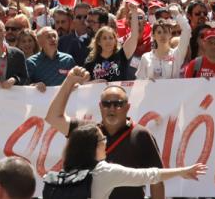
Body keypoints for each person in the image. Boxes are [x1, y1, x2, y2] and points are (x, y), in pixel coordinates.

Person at [46, 66, 166, 199]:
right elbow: (53, 117)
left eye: (118, 104)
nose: (112, 108)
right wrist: (69, 81)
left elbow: (157, 180)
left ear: (127, 107)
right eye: (106, 103)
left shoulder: (141, 135)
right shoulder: (87, 133)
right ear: (100, 106)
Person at [44, 123, 205, 199]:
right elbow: (150, 175)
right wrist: (182, 171)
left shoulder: (63, 175)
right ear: (94, 147)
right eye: (103, 140)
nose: (106, 142)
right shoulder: (104, 172)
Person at [137, 5, 190, 80]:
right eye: (159, 32)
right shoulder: (146, 57)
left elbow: (187, 31)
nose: (162, 35)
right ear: (153, 35)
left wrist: (178, 15)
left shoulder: (177, 54)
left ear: (170, 34)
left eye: (165, 32)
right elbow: (139, 81)